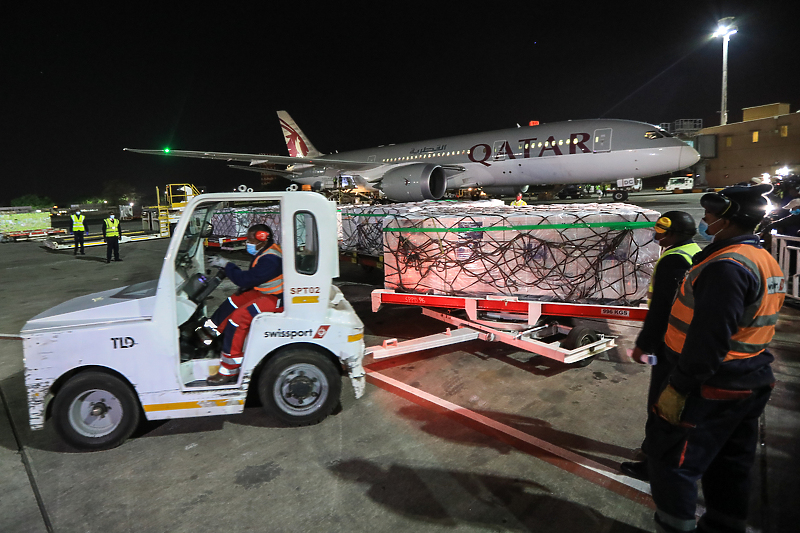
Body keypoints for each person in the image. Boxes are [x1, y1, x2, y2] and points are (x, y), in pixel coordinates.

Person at [647, 184, 785, 533]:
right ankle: (724, 525)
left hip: (712, 382)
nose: (705, 217)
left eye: (711, 212)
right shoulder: (762, 258)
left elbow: (708, 338)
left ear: (727, 218)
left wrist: (679, 386)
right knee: (730, 461)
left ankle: (674, 525)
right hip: (749, 374)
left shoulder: (727, 267)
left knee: (674, 461)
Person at [620, 212, 701, 481]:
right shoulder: (693, 251)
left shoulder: (673, 260)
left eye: (660, 231)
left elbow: (661, 309)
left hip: (671, 342)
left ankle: (654, 464)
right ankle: (650, 450)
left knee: (661, 404)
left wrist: (644, 344)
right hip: (683, 339)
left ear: (671, 233)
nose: (655, 235)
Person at [205, 224, 283, 385]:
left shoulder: (271, 258)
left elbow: (246, 279)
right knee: (235, 300)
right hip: (265, 292)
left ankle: (229, 370)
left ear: (262, 238)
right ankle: (209, 336)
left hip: (276, 299)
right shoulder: (265, 251)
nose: (247, 242)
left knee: (238, 318)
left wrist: (227, 265)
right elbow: (252, 279)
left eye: (250, 239)